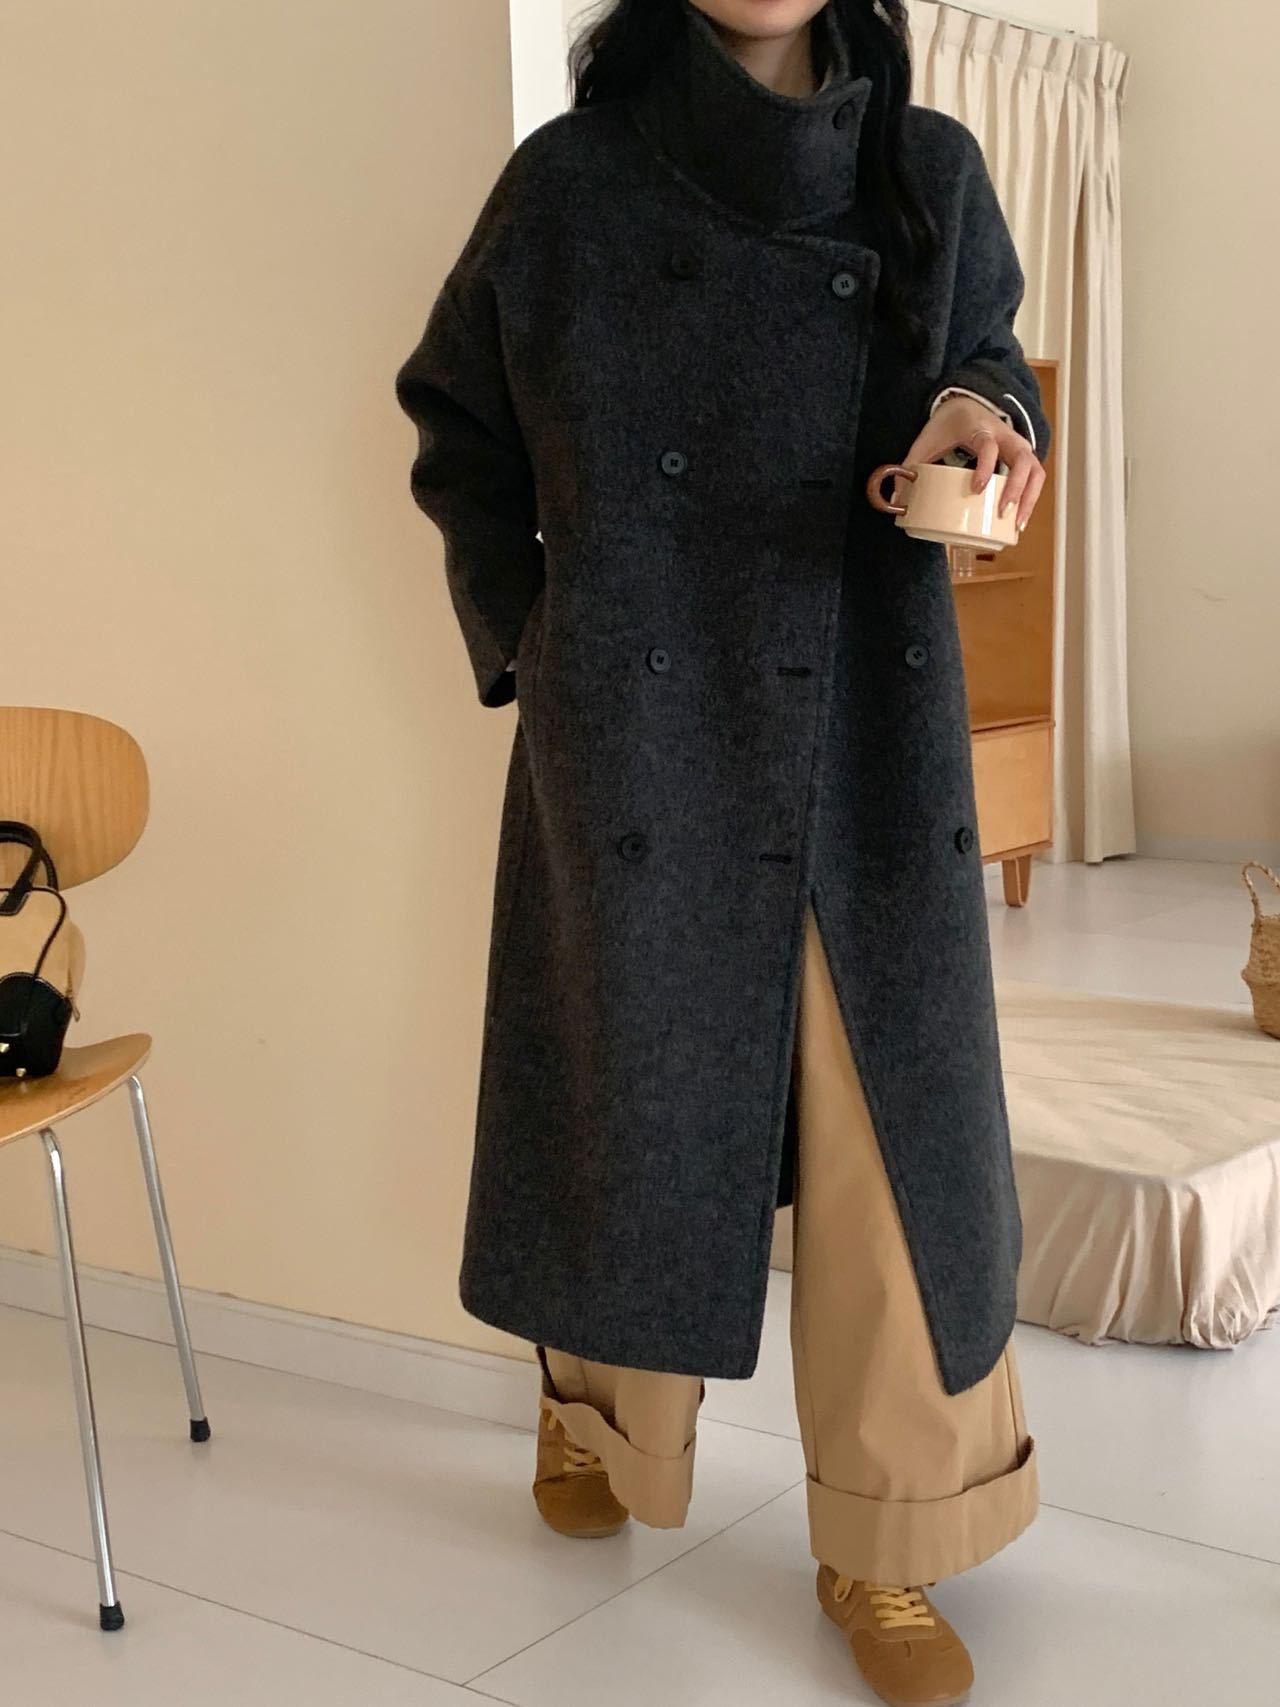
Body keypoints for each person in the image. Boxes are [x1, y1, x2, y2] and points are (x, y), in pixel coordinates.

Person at [395, 3, 1048, 1701]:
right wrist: (535, 645)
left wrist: (987, 425)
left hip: (865, 714)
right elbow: (457, 423)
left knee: (893, 1144)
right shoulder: (570, 185)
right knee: (637, 1097)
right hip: (643, 726)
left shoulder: (928, 169)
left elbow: (990, 361)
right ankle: (597, 1419)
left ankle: (891, 1534)